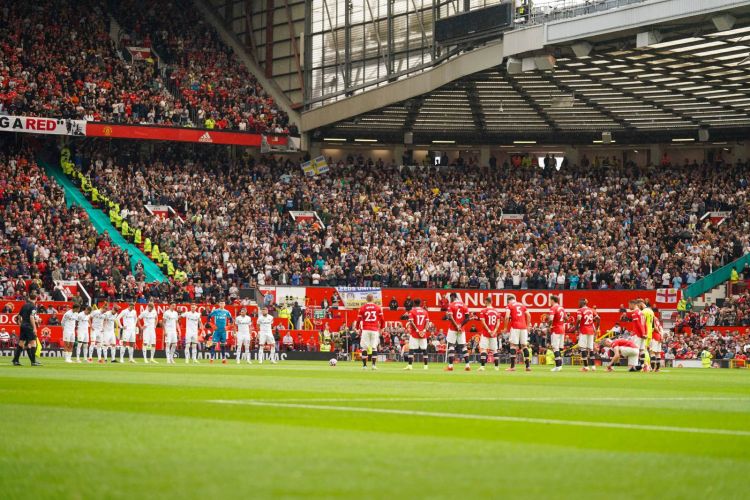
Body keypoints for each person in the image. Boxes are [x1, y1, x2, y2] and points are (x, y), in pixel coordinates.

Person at [11, 292, 41, 366]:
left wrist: (21, 323)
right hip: (29, 326)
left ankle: (15, 360)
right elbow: (31, 317)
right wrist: (34, 328)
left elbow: (19, 316)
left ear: (29, 298)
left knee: (21, 343)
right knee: (33, 342)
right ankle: (33, 361)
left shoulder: (24, 305)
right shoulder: (33, 306)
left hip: (23, 326)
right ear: (36, 298)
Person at [357, 294, 384, 370]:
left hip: (365, 329)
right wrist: (381, 328)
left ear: (366, 299)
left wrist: (357, 328)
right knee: (374, 347)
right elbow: (382, 319)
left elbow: (358, 320)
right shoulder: (378, 307)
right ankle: (373, 365)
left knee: (364, 348)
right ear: (373, 299)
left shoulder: (362, 308)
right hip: (374, 329)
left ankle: (365, 366)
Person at [504, 296, 531, 372]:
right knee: (524, 346)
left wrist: (505, 327)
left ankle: (512, 367)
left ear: (509, 301)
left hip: (515, 326)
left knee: (513, 345)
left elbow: (506, 317)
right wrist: (528, 326)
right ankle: (528, 366)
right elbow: (528, 315)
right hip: (523, 327)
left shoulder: (509, 305)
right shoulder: (522, 305)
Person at [445, 293, 470, 372]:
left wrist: (456, 325)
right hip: (461, 329)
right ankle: (467, 365)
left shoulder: (451, 305)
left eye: (450, 298)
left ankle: (450, 366)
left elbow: (450, 317)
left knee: (451, 346)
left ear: (453, 297)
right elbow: (467, 318)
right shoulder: (464, 305)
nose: (450, 299)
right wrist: (460, 326)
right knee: (463, 347)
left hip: (453, 328)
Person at [404, 299, 430, 370]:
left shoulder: (412, 311)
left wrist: (417, 330)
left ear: (414, 304)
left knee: (411, 349)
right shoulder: (425, 311)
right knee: (424, 349)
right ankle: (426, 366)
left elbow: (411, 322)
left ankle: (410, 365)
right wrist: (424, 330)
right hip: (423, 334)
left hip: (414, 333)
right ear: (420, 303)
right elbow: (427, 322)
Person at [478, 296, 502, 371]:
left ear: (486, 302)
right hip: (494, 334)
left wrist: (488, 330)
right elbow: (498, 323)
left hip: (486, 333)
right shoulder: (497, 311)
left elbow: (483, 322)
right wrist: (494, 331)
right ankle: (496, 367)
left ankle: (482, 367)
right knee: (494, 350)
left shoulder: (483, 310)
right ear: (492, 302)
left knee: (483, 349)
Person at [621, 300, 646, 371]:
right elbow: (644, 324)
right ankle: (642, 366)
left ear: (633, 304)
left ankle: (635, 366)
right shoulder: (641, 312)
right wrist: (644, 333)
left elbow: (638, 324)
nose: (629, 307)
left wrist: (641, 333)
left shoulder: (635, 313)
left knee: (635, 350)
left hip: (638, 334)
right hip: (642, 334)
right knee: (642, 350)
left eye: (629, 305)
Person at [575, 299, 600, 372]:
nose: (578, 304)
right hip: (591, 330)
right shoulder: (592, 310)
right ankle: (593, 366)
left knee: (583, 348)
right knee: (590, 348)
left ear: (581, 303)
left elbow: (579, 319)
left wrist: (576, 328)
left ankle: (586, 367)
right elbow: (598, 318)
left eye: (579, 303)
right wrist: (597, 327)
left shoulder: (580, 310)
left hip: (584, 330)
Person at [547, 295, 567, 372]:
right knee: (560, 348)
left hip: (556, 329)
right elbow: (566, 318)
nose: (549, 301)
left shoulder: (553, 308)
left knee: (555, 347)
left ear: (552, 300)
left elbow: (551, 319)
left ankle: (558, 366)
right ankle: (560, 365)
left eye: (550, 300)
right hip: (562, 329)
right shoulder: (562, 308)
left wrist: (549, 326)